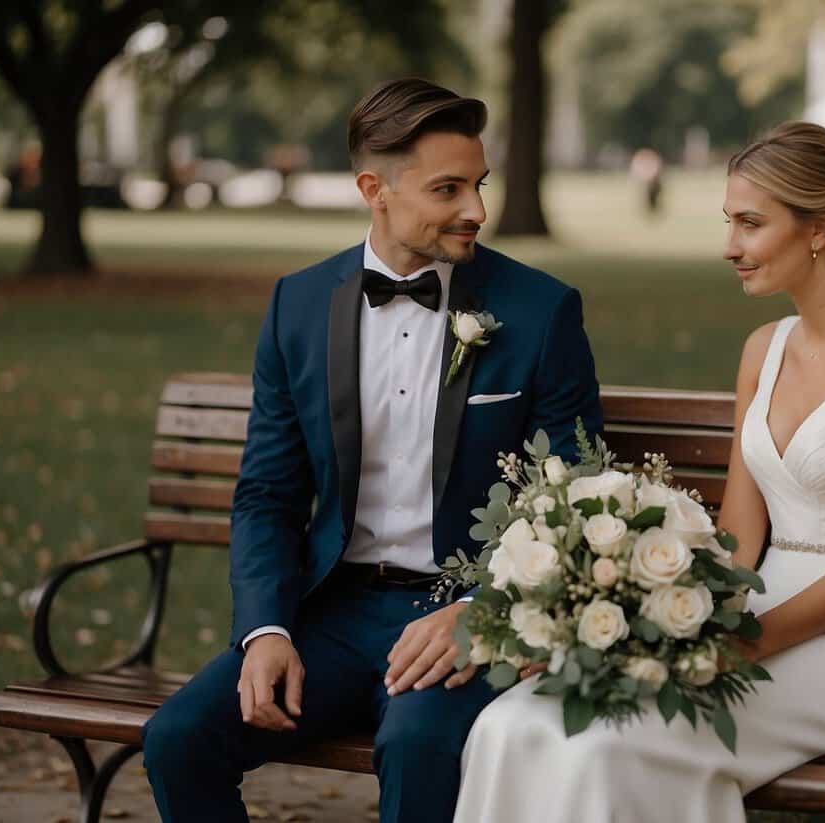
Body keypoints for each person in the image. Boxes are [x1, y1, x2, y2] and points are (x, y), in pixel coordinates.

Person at [453, 121, 825, 822]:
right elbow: (736, 531)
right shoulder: (764, 347)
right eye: (729, 221)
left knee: (607, 741)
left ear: (818, 229)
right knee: (514, 721)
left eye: (751, 223)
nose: (729, 245)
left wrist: (738, 646)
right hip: (745, 617)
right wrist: (653, 610)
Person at [140, 78, 603, 823]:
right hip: (335, 613)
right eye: (448, 188)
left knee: (418, 745)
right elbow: (268, 492)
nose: (477, 210)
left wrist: (486, 609)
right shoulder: (298, 303)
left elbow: (578, 498)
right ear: (373, 189)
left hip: (465, 610)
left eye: (479, 185)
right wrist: (265, 628)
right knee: (177, 737)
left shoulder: (541, 310)